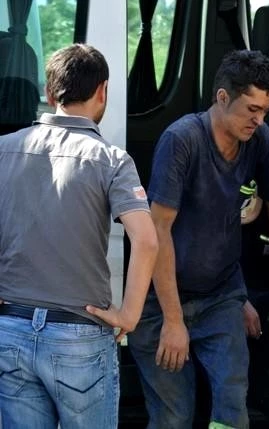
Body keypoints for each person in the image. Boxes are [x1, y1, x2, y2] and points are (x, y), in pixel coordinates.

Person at [127, 50, 269, 429]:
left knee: (232, 405)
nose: (259, 120)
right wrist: (173, 321)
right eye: (252, 109)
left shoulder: (260, 139)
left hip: (221, 297)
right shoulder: (181, 140)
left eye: (266, 111)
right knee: (174, 416)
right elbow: (158, 231)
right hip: (161, 303)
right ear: (222, 97)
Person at [0, 44, 158, 429]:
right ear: (102, 91)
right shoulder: (112, 160)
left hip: (10, 327)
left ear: (49, 92)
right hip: (79, 333)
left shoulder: (5, 149)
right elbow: (147, 240)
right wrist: (129, 314)